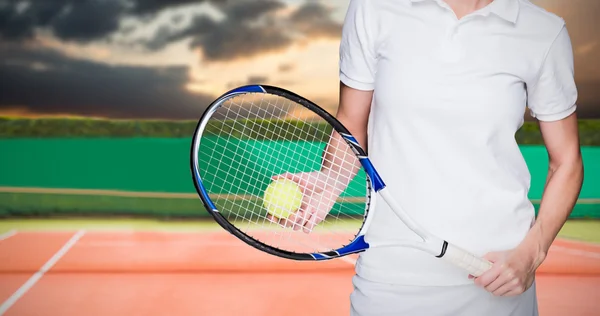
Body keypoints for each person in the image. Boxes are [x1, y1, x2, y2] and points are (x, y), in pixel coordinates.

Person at [279, 0, 584, 315]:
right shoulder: (374, 8)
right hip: (389, 278)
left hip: (496, 280)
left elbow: (567, 161)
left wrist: (531, 253)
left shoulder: (543, 32)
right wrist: (331, 179)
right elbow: (352, 122)